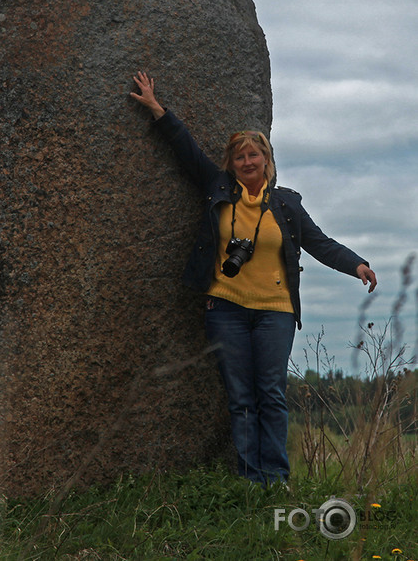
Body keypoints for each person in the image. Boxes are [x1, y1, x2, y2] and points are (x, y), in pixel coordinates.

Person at [130, 71, 377, 485]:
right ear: (231, 163)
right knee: (241, 399)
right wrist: (157, 109)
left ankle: (276, 480)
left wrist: (357, 264)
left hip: (275, 313)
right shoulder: (217, 189)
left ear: (267, 160)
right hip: (225, 309)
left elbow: (320, 243)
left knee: (272, 396)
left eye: (254, 156)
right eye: (240, 157)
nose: (247, 163)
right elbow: (186, 151)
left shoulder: (286, 205)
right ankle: (249, 479)